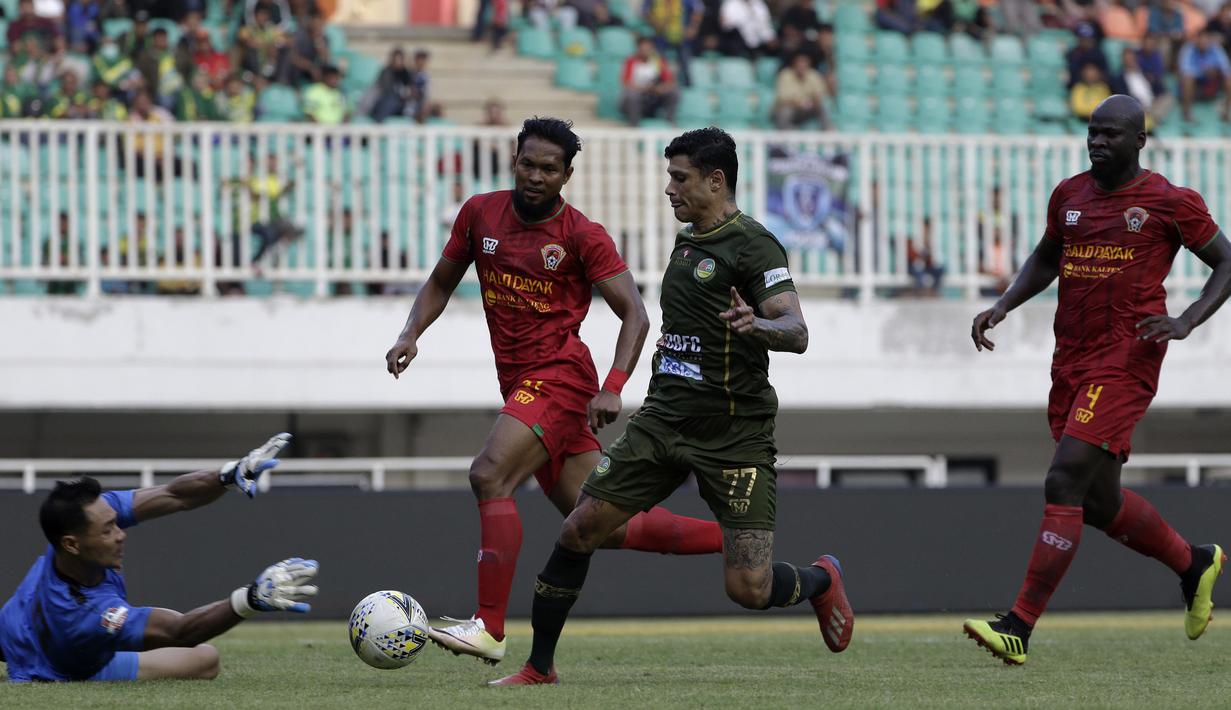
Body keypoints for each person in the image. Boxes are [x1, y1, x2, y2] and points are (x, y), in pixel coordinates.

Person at [488, 127, 853, 687]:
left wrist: (758, 325)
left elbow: (796, 330)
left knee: (748, 588)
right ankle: (539, 667)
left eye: (680, 179)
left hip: (734, 434)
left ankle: (822, 580)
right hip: (662, 423)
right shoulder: (687, 243)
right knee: (579, 528)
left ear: (716, 180)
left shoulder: (754, 244)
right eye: (669, 177)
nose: (669, 189)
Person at [383, 117, 723, 665]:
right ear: (514, 161)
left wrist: (613, 386)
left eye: (548, 168)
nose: (535, 176)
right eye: (528, 164)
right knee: (604, 526)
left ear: (566, 175)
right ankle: (737, 540)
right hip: (521, 385)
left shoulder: (582, 235)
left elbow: (635, 314)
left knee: (489, 474)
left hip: (561, 379)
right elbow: (442, 280)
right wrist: (409, 333)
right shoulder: (479, 214)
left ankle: (489, 628)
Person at [965, 94, 1231, 666]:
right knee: (1098, 500)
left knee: (1063, 480)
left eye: (1110, 133)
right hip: (1072, 359)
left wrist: (1187, 319)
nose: (1097, 142)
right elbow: (1046, 257)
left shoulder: (1169, 201)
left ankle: (1018, 626)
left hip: (1127, 357)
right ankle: (1194, 562)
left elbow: (1226, 261)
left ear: (1140, 141)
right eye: (1092, 132)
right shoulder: (1069, 195)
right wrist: (1004, 304)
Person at [0, 434, 320, 682]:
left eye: (115, 522)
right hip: (64, 664)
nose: (120, 534)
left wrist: (227, 476)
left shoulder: (77, 528)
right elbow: (179, 632)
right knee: (205, 659)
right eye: (108, 530)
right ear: (72, 544)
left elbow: (174, 495)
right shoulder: (91, 614)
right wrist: (251, 599)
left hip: (12, 624)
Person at [619, 36, 680, 125]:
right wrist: (646, 88)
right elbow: (627, 83)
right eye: (642, 49)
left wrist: (662, 87)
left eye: (648, 49)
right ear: (638, 49)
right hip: (637, 96)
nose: (645, 51)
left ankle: (670, 122)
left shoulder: (658, 61)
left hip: (653, 96)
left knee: (674, 92)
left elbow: (670, 81)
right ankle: (634, 123)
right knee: (632, 95)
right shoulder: (631, 61)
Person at [1178, 28, 1231, 121]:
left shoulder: (1216, 48)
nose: (1203, 41)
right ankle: (1186, 113)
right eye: (1201, 39)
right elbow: (1184, 70)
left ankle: (1226, 112)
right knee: (1187, 79)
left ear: (1210, 40)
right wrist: (1204, 71)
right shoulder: (1188, 49)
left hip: (1211, 85)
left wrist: (1216, 71)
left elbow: (1226, 69)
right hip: (1194, 85)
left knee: (1229, 79)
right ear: (1196, 39)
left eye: (1206, 39)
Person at [772, 52, 829, 130]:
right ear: (794, 65)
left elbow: (820, 95)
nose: (801, 67)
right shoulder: (785, 75)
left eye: (804, 64)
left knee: (823, 107)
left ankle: (828, 131)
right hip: (791, 108)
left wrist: (814, 101)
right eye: (799, 64)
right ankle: (785, 134)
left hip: (808, 108)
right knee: (785, 111)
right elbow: (782, 99)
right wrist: (799, 103)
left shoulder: (813, 75)